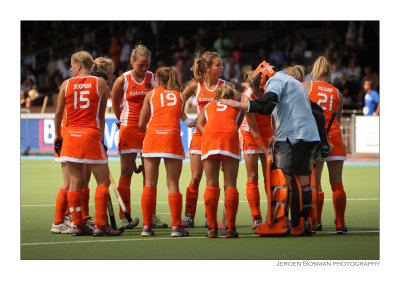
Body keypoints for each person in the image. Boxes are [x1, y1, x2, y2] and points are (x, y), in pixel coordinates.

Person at [220, 61, 320, 236]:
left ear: (264, 76)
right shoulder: (296, 83)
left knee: (281, 180)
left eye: (260, 82)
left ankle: (279, 224)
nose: (261, 86)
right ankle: (302, 224)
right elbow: (317, 111)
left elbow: (266, 106)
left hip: (291, 137)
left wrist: (240, 105)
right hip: (309, 135)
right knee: (304, 182)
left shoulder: (275, 81)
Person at [53, 51, 120, 236]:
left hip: (71, 137)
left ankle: (77, 224)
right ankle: (100, 225)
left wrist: (58, 136)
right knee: (103, 182)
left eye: (72, 65)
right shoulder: (100, 83)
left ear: (80, 65)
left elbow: (58, 114)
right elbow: (101, 115)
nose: (71, 69)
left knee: (74, 183)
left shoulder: (66, 84)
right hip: (90, 136)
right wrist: (100, 139)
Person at [111, 44, 166, 230]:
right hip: (129, 129)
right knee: (126, 172)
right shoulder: (122, 80)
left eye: (147, 65)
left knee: (150, 175)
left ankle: (151, 216)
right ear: (132, 61)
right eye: (141, 65)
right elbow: (116, 103)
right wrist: (123, 122)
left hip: (149, 130)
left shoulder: (154, 78)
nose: (144, 69)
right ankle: (124, 215)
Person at [181, 51, 234, 228]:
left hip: (218, 137)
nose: (222, 67)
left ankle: (208, 216)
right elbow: (177, 102)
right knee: (196, 177)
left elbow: (238, 107)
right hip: (199, 134)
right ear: (208, 68)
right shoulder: (196, 85)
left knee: (214, 180)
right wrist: (187, 120)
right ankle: (188, 215)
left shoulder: (225, 86)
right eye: (218, 65)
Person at [138, 67, 189, 237]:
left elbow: (140, 123)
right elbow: (183, 117)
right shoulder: (180, 96)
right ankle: (176, 227)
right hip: (172, 139)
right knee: (173, 183)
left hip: (153, 138)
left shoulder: (151, 95)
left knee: (150, 184)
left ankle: (146, 227)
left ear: (158, 80)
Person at [303, 56, 348, 233]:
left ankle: (316, 221)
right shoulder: (337, 92)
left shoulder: (307, 86)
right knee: (337, 184)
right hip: (334, 138)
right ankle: (340, 224)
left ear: (313, 71)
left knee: (316, 182)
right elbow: (337, 118)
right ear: (329, 73)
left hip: (316, 139)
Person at [197, 85, 244, 238]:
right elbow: (235, 126)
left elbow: (199, 123)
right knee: (230, 184)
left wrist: (209, 136)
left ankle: (212, 228)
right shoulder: (237, 107)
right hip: (229, 137)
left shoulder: (208, 105)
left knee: (211, 184)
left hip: (210, 136)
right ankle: (230, 228)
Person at [239, 71, 275, 230]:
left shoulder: (268, 89)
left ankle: (273, 213)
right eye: (257, 91)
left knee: (270, 177)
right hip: (250, 135)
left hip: (267, 133)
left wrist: (273, 132)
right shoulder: (246, 96)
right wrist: (266, 152)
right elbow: (253, 130)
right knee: (253, 177)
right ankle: (256, 216)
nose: (260, 93)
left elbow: (273, 113)